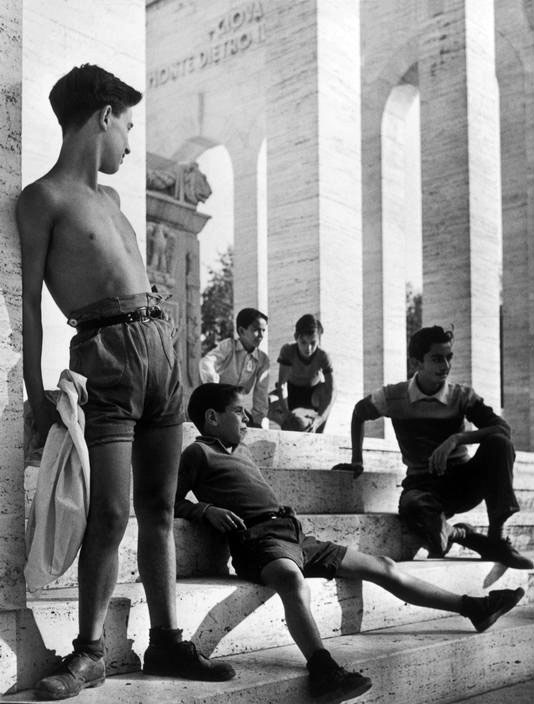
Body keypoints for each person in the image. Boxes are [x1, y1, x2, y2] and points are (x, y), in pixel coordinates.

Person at [17, 64, 234, 700]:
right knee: (110, 512)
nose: (131, 144)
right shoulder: (43, 200)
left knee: (160, 510)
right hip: (103, 357)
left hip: (161, 354)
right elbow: (27, 307)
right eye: (129, 126)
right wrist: (36, 395)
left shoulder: (113, 202)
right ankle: (90, 653)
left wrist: (181, 361)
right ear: (104, 114)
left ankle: (167, 641)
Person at [176, 382, 525, 703]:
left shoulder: (241, 450)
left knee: (384, 567)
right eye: (238, 411)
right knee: (291, 580)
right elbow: (168, 502)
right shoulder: (197, 454)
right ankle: (323, 670)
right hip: (258, 541)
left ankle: (473, 608)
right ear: (211, 417)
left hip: (292, 534)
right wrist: (204, 510)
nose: (247, 417)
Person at [332, 325, 533, 570]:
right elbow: (359, 412)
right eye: (437, 359)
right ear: (417, 363)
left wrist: (456, 439)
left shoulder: (461, 396)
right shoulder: (395, 396)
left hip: (462, 482)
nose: (446, 366)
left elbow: (502, 429)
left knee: (500, 443)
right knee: (423, 523)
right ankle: (460, 534)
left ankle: (497, 538)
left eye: (449, 358)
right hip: (422, 485)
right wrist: (357, 460)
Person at [199, 307, 269, 428]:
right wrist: (214, 389)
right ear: (241, 331)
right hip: (217, 403)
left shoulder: (262, 360)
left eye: (263, 330)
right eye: (256, 330)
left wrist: (258, 419)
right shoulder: (229, 346)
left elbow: (261, 392)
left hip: (236, 406)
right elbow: (206, 362)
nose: (261, 335)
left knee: (246, 430)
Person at [275, 314, 335, 433]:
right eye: (303, 342)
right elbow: (282, 385)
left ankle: (317, 433)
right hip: (291, 393)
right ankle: (289, 428)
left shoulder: (323, 355)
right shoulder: (288, 350)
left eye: (313, 343)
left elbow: (331, 390)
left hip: (312, 395)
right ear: (296, 337)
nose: (308, 348)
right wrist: (286, 414)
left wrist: (320, 419)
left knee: (329, 391)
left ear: (319, 340)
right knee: (269, 403)